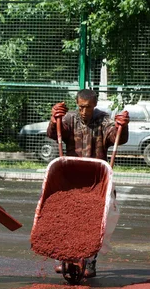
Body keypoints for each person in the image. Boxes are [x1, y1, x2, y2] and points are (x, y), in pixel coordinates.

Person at [47, 88, 130, 278]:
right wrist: (54, 121)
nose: (85, 111)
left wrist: (122, 127)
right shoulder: (69, 119)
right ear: (77, 105)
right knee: (66, 217)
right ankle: (63, 256)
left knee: (97, 219)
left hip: (96, 177)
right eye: (82, 107)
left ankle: (91, 260)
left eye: (89, 107)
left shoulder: (103, 120)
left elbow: (115, 136)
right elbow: (55, 134)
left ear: (95, 105)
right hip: (72, 175)